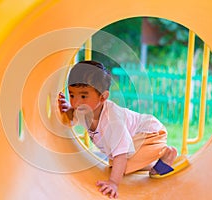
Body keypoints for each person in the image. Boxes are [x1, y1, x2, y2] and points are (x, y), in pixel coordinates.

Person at [58, 60, 177, 199]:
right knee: (116, 164)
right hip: (138, 138)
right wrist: (66, 108)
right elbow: (72, 117)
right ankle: (153, 162)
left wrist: (114, 183)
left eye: (83, 96)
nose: (76, 102)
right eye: (72, 95)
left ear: (103, 97)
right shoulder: (83, 109)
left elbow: (121, 154)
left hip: (151, 134)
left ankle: (164, 155)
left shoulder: (112, 121)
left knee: (121, 164)